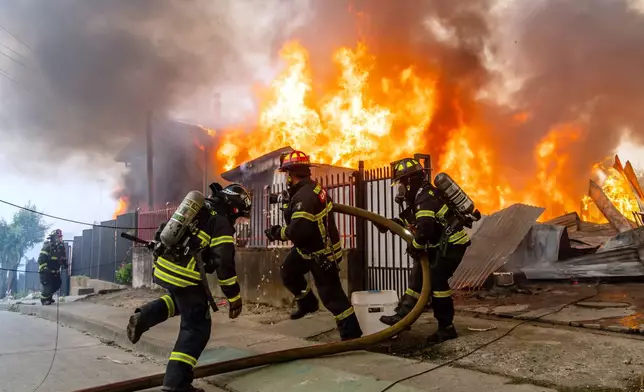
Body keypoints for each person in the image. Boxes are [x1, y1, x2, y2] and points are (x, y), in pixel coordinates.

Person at [126, 183, 251, 392]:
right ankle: (176, 384)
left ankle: (145, 316)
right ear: (234, 208)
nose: (236, 221)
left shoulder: (200, 209)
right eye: (238, 216)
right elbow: (224, 263)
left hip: (164, 267)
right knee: (196, 328)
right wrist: (234, 296)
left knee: (184, 301)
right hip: (184, 275)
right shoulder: (221, 222)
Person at [264, 150, 362, 341]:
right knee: (289, 271)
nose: (287, 180)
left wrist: (276, 233)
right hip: (306, 249)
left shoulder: (305, 197)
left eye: (287, 175)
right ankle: (308, 303)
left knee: (332, 297)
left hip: (322, 254)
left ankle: (352, 337)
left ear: (291, 174)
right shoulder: (311, 190)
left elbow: (298, 231)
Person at [376, 158, 471, 345]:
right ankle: (402, 316)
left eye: (401, 182)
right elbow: (414, 222)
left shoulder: (425, 196)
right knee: (417, 275)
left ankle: (446, 328)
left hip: (452, 246)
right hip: (440, 245)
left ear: (410, 181)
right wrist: (388, 224)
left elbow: (425, 229)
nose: (400, 187)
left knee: (437, 282)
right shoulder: (419, 196)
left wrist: (416, 247)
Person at [38, 229, 68, 305]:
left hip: (55, 271)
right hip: (46, 272)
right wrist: (45, 269)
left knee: (57, 284)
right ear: (53, 238)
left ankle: (49, 297)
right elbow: (41, 260)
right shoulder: (47, 246)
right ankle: (44, 299)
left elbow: (63, 258)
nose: (60, 238)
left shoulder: (61, 247)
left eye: (61, 237)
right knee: (47, 285)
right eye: (58, 237)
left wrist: (64, 264)